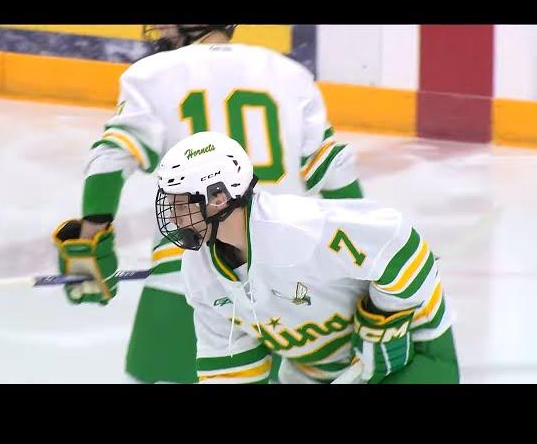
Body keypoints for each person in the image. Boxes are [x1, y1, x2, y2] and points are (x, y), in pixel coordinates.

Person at [52, 25, 364, 383]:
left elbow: (111, 157)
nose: (161, 29)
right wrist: (361, 265)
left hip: (189, 284)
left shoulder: (154, 74)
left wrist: (90, 241)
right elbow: (335, 170)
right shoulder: (293, 76)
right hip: (291, 295)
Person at [154, 131, 460, 384]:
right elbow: (231, 368)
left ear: (219, 198)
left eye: (182, 206)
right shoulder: (200, 272)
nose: (175, 219)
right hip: (316, 371)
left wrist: (385, 316)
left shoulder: (296, 229)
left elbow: (401, 245)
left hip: (412, 351)